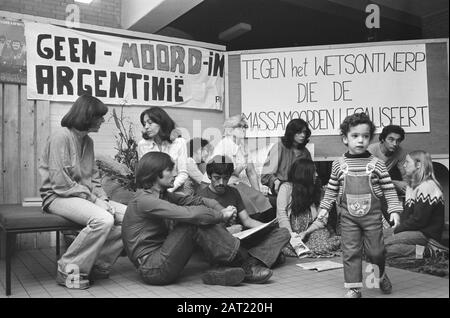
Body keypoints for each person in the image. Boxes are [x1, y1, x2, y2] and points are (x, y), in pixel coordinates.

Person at [122, 152, 274, 286]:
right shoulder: (144, 200)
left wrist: (220, 208)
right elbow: (190, 214)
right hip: (152, 268)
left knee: (199, 217)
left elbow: (196, 201)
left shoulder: (163, 195)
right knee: (193, 223)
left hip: (163, 258)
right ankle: (244, 263)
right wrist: (221, 216)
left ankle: (220, 271)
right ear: (154, 174)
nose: (175, 174)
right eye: (170, 170)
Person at [39, 95, 127, 289]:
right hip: (57, 196)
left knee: (130, 217)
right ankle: (67, 270)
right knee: (103, 219)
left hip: (83, 196)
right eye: (100, 116)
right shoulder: (61, 136)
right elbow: (61, 184)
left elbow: (94, 179)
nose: (103, 121)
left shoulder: (88, 142)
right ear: (88, 116)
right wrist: (96, 200)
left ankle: (97, 265)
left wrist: (103, 198)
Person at [317, 112, 402, 298]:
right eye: (355, 136)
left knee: (376, 251)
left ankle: (379, 275)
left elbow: (388, 190)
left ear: (370, 138)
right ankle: (354, 288)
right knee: (350, 251)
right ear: (345, 139)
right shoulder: (338, 165)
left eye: (365, 136)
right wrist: (324, 209)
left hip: (372, 218)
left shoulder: (377, 165)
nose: (360, 140)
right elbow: (331, 189)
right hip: (348, 218)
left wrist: (395, 211)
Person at [198, 155, 290, 271]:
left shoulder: (233, 192)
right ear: (209, 176)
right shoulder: (201, 196)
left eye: (225, 178)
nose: (221, 182)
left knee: (283, 233)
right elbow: (203, 231)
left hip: (240, 238)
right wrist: (228, 231)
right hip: (222, 242)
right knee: (277, 257)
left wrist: (267, 227)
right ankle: (259, 259)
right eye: (217, 178)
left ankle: (251, 261)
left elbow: (247, 220)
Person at [385, 150, 447, 261]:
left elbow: (419, 220)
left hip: (426, 234)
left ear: (418, 165)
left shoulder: (427, 186)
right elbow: (407, 216)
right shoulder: (411, 186)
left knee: (382, 247)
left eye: (407, 162)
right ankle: (419, 250)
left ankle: (430, 251)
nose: (404, 165)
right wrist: (395, 229)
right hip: (414, 231)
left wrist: (397, 230)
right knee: (374, 242)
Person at [208, 114, 273, 218]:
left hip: (239, 183)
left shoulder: (244, 146)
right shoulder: (223, 146)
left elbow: (251, 173)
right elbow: (220, 174)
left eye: (245, 126)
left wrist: (258, 192)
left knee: (262, 201)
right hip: (225, 184)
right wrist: (238, 169)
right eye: (240, 126)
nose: (243, 129)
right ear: (229, 130)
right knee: (250, 206)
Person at [277, 158, 340, 257]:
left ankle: (306, 248)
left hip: (311, 231)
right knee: (282, 247)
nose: (316, 175)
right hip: (290, 233)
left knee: (322, 246)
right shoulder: (286, 188)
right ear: (303, 174)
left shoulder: (319, 190)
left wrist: (306, 232)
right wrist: (292, 235)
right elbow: (281, 215)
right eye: (313, 172)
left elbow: (322, 219)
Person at [137, 106, 188, 193]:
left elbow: (183, 173)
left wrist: (168, 190)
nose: (146, 127)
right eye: (144, 123)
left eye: (150, 123)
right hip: (153, 190)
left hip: (175, 188)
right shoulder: (142, 145)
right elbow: (144, 174)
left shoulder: (179, 142)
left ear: (161, 122)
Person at [261, 118, 313, 198]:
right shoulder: (279, 147)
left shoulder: (305, 152)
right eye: (299, 132)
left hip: (300, 195)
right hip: (280, 193)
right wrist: (275, 181)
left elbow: (311, 175)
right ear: (291, 133)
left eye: (304, 132)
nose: (303, 135)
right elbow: (265, 175)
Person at [368, 125, 408, 227]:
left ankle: (408, 225)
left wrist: (408, 187)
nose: (395, 144)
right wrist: (394, 183)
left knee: (412, 189)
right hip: (367, 185)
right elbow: (369, 179)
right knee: (380, 192)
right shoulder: (371, 151)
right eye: (391, 139)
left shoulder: (400, 152)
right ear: (382, 139)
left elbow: (406, 177)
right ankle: (392, 225)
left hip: (384, 183)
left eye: (398, 140)